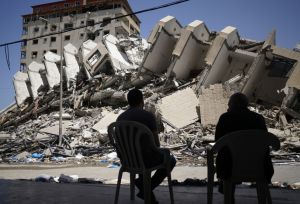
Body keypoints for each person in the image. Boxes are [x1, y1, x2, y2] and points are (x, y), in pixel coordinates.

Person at [117, 88, 176, 203]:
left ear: (128, 102)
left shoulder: (120, 118)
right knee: (171, 160)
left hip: (127, 161)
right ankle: (145, 189)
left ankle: (145, 189)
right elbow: (156, 145)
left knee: (143, 158)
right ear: (142, 101)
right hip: (146, 160)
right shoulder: (148, 116)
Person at [215, 92, 273, 196]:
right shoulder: (258, 119)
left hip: (230, 167)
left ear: (231, 105)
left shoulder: (225, 118)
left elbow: (218, 142)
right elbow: (265, 142)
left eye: (229, 105)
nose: (228, 107)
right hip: (258, 166)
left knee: (226, 156)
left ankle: (228, 194)